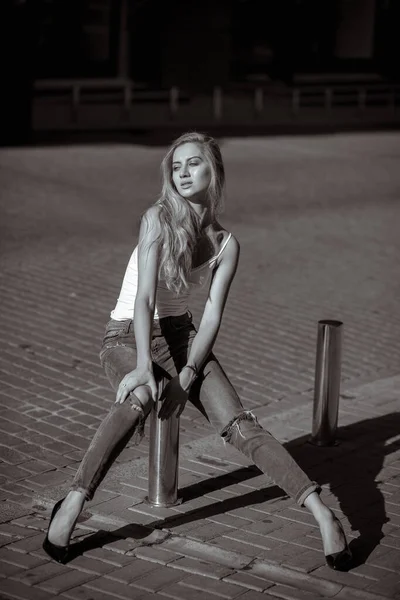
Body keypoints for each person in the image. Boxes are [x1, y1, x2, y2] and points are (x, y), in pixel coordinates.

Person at [43, 131, 352, 570]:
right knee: (140, 398)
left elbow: (210, 317)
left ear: (214, 171)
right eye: (176, 166)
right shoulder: (156, 218)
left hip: (183, 337)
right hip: (129, 333)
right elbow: (145, 298)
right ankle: (73, 502)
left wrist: (187, 374)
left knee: (240, 426)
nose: (183, 173)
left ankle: (322, 513)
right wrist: (145, 369)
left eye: (193, 163)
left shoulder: (227, 245)